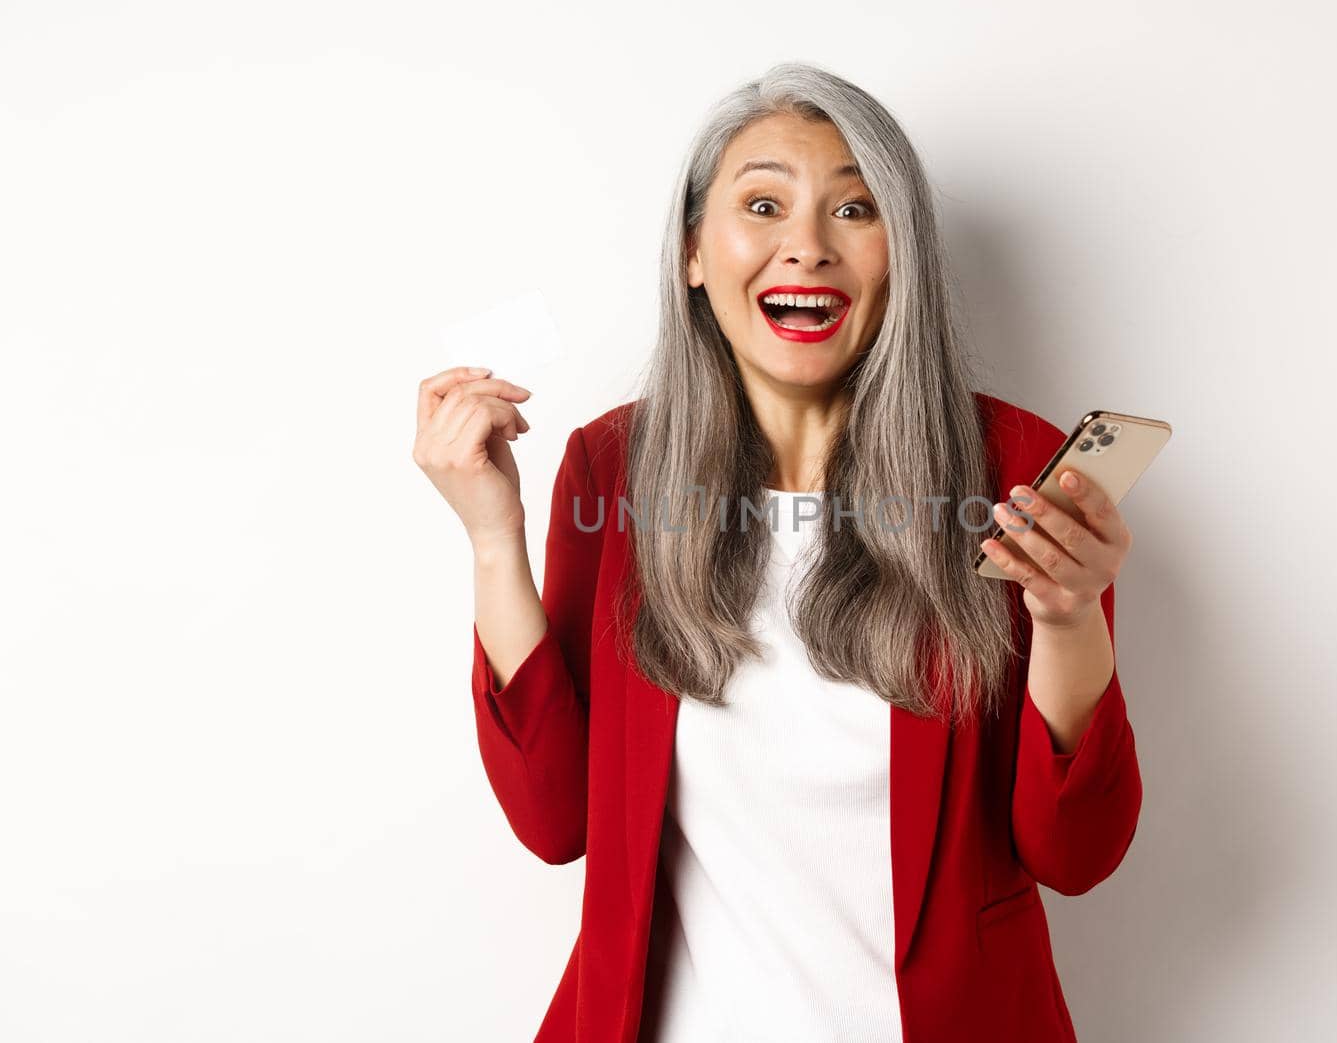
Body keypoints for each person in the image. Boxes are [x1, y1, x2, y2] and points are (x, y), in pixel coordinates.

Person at [413, 61, 1143, 1043]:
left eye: (854, 209)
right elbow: (558, 822)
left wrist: (1064, 618)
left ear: (903, 254)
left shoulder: (1013, 465)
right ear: (693, 255)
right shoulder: (612, 468)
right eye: (763, 203)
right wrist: (493, 535)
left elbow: (1076, 852)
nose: (806, 247)